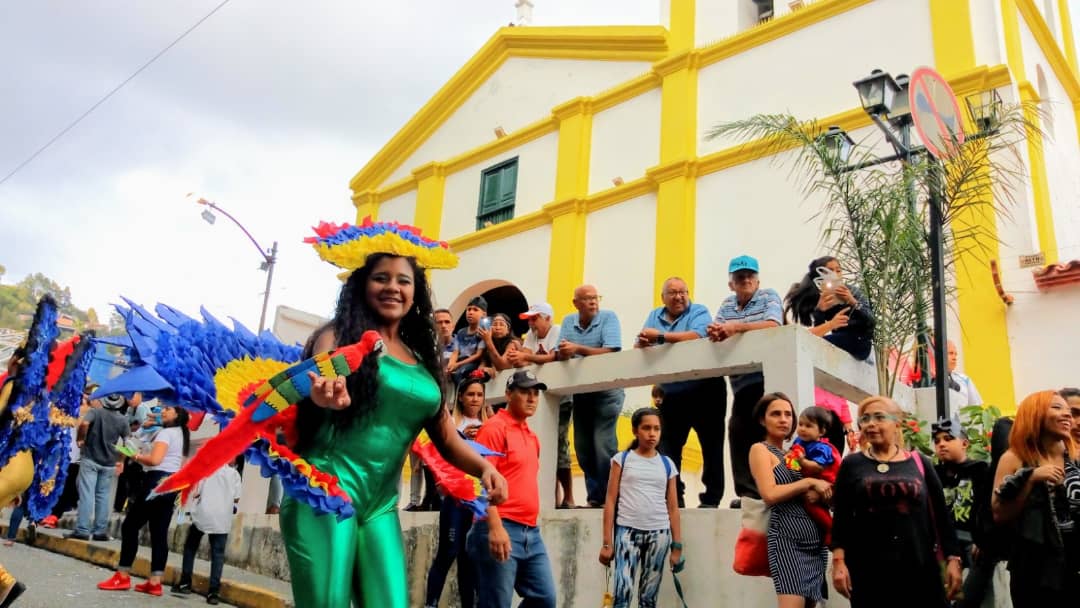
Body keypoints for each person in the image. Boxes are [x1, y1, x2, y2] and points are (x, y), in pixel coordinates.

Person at [281, 221, 508, 608]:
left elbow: (448, 438)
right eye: (380, 278)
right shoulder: (338, 337)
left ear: (415, 290)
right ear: (361, 285)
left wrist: (484, 469)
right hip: (325, 490)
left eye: (403, 280)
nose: (392, 288)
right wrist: (322, 399)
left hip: (380, 505)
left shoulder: (422, 360)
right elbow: (313, 389)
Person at [832, 396, 962, 607]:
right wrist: (838, 563)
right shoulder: (852, 465)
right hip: (869, 571)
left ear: (897, 423)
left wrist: (953, 559)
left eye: (879, 417)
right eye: (865, 419)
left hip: (920, 567)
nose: (871, 423)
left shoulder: (920, 463)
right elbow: (842, 520)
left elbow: (941, 515)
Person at [466, 370, 557, 608]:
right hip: (499, 526)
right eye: (525, 392)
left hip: (531, 533)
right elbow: (478, 481)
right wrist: (494, 527)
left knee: (545, 599)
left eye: (535, 393)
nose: (532, 398)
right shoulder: (495, 428)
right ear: (508, 394)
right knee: (496, 603)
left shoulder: (532, 435)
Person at [637, 276, 726, 508]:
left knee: (712, 445)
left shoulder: (698, 310)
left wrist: (659, 338)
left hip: (706, 389)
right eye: (673, 293)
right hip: (673, 392)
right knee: (669, 447)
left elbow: (698, 336)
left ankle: (711, 499)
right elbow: (642, 343)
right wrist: (646, 342)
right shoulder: (654, 315)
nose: (679, 297)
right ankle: (675, 497)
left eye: (683, 292)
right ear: (663, 297)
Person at [708, 255, 783, 506]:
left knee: (766, 432)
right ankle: (748, 494)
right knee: (739, 431)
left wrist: (735, 328)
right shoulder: (727, 304)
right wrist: (721, 330)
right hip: (740, 384)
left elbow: (773, 324)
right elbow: (717, 329)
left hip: (765, 378)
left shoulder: (768, 296)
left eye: (750, 275)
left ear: (758, 279)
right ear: (732, 284)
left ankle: (770, 488)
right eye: (740, 277)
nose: (746, 280)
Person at [991, 390, 1078, 606]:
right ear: (1035, 413)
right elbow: (1000, 514)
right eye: (1057, 408)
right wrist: (1030, 480)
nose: (1067, 415)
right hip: (1034, 568)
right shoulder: (1014, 458)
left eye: (1068, 411)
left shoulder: (1074, 455)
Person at [749, 393, 832, 608]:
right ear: (762, 419)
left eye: (788, 414)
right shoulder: (760, 450)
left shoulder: (794, 453)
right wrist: (808, 483)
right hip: (788, 541)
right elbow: (770, 494)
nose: (783, 419)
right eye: (776, 414)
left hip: (816, 542)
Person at [98, 405, 191, 596]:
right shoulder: (182, 434)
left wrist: (135, 456)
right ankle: (155, 581)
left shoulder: (166, 433)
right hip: (173, 483)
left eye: (168, 409)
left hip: (156, 480)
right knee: (159, 532)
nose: (163, 411)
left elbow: (155, 460)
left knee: (130, 525)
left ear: (178, 414)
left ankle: (122, 575)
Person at [598, 408, 682, 608]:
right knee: (622, 593)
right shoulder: (622, 459)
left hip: (659, 534)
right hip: (627, 532)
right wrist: (607, 543)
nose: (652, 433)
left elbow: (673, 507)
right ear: (635, 430)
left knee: (648, 597)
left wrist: (677, 546)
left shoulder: (667, 464)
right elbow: (610, 501)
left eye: (656, 429)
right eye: (646, 428)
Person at [424, 373, 491, 608]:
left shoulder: (490, 426)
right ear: (460, 397)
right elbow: (435, 456)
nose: (475, 399)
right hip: (454, 500)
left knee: (468, 558)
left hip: (479, 502)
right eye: (470, 394)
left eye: (479, 395)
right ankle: (430, 604)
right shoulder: (450, 425)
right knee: (448, 552)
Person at [559, 284, 625, 508]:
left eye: (596, 297)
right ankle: (595, 497)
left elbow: (611, 350)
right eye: (587, 299)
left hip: (607, 393)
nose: (593, 302)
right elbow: (563, 351)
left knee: (602, 444)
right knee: (583, 448)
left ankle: (610, 497)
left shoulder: (608, 318)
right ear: (576, 303)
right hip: (582, 393)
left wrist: (576, 348)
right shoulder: (568, 321)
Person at [509, 302, 576, 509]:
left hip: (562, 398)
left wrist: (525, 357)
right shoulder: (532, 335)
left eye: (535, 318)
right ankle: (552, 496)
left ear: (547, 318)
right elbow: (526, 357)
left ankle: (569, 497)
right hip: (540, 398)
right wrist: (518, 357)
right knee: (544, 446)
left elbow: (554, 357)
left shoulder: (557, 331)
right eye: (529, 319)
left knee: (560, 446)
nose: (531, 323)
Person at [931, 416, 994, 608]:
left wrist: (983, 538)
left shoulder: (980, 469)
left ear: (964, 443)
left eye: (948, 439)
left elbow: (988, 505)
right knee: (945, 594)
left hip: (974, 541)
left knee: (972, 595)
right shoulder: (933, 474)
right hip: (943, 544)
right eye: (937, 441)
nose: (941, 444)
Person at [173, 457, 242, 605]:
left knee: (191, 547)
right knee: (218, 555)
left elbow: (197, 492)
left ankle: (185, 583)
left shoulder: (206, 470)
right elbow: (236, 499)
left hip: (203, 514)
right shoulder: (235, 475)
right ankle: (213, 592)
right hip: (222, 518)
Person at [784, 256, 875, 361]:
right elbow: (820, 330)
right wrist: (820, 310)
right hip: (840, 339)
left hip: (860, 341)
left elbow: (871, 321)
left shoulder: (853, 291)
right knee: (814, 342)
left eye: (838, 270)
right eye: (830, 271)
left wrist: (852, 301)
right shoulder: (822, 297)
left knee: (813, 343)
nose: (836, 274)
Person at [67, 392, 130, 541]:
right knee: (103, 496)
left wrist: (80, 439)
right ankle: (100, 531)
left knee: (87, 494)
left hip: (90, 458)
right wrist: (121, 460)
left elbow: (84, 424)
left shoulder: (95, 412)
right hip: (109, 462)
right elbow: (128, 443)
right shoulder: (123, 420)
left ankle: (82, 529)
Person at [784, 406, 840, 545]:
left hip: (826, 483)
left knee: (813, 506)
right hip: (810, 482)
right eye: (801, 424)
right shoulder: (799, 441)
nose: (802, 429)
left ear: (821, 431)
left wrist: (802, 461)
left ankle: (830, 529)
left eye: (809, 426)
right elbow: (792, 461)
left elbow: (817, 467)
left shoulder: (822, 448)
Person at [447, 296, 489, 386]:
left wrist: (457, 364)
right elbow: (455, 352)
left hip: (473, 363)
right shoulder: (461, 332)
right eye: (469, 309)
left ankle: (460, 398)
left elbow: (478, 355)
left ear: (484, 314)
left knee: (459, 374)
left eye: (475, 310)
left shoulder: (483, 331)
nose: (470, 312)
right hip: (460, 362)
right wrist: (451, 364)